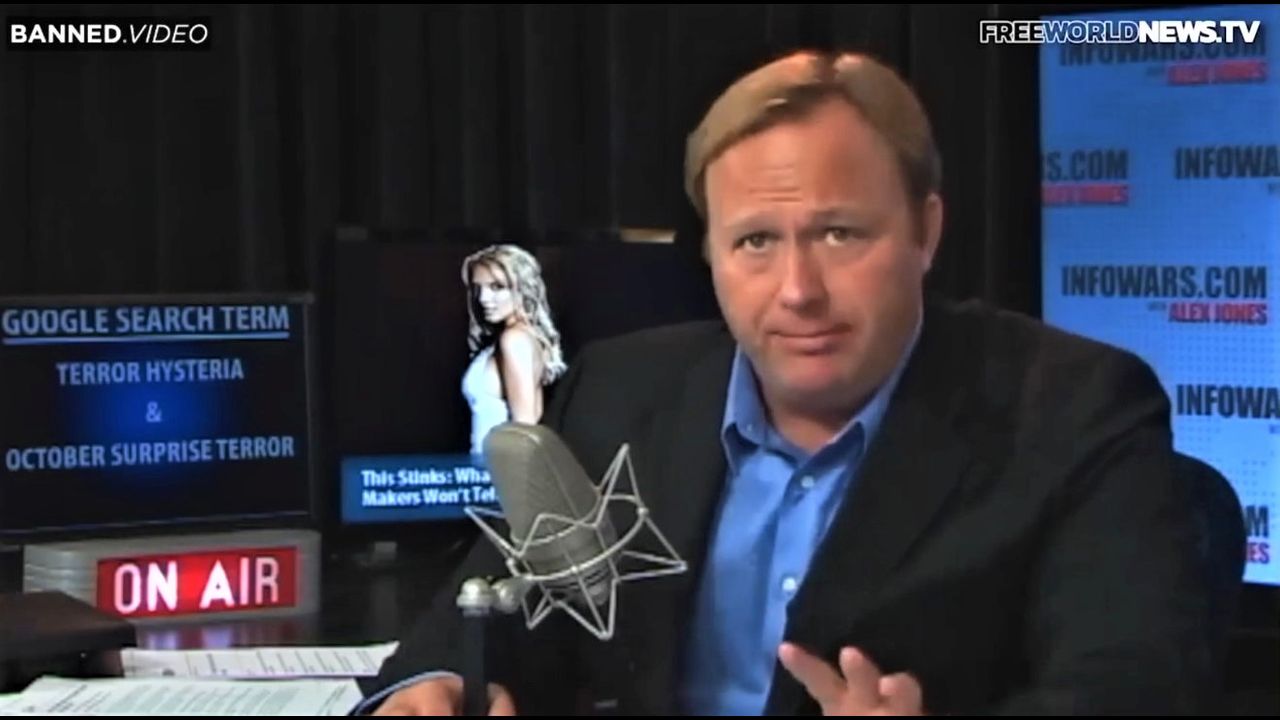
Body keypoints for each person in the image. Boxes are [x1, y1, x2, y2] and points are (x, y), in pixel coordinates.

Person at [359, 50, 1213, 715]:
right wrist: (431, 684)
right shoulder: (621, 392)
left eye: (840, 234)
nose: (798, 291)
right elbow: (479, 616)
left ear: (925, 231)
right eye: (755, 242)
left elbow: (1131, 691)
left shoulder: (1074, 410)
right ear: (710, 252)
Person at [460, 244, 567, 456]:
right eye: (478, 288)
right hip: (488, 467)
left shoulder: (514, 340)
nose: (483, 298)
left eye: (497, 287)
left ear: (522, 287)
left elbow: (525, 425)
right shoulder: (519, 337)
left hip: (497, 469)